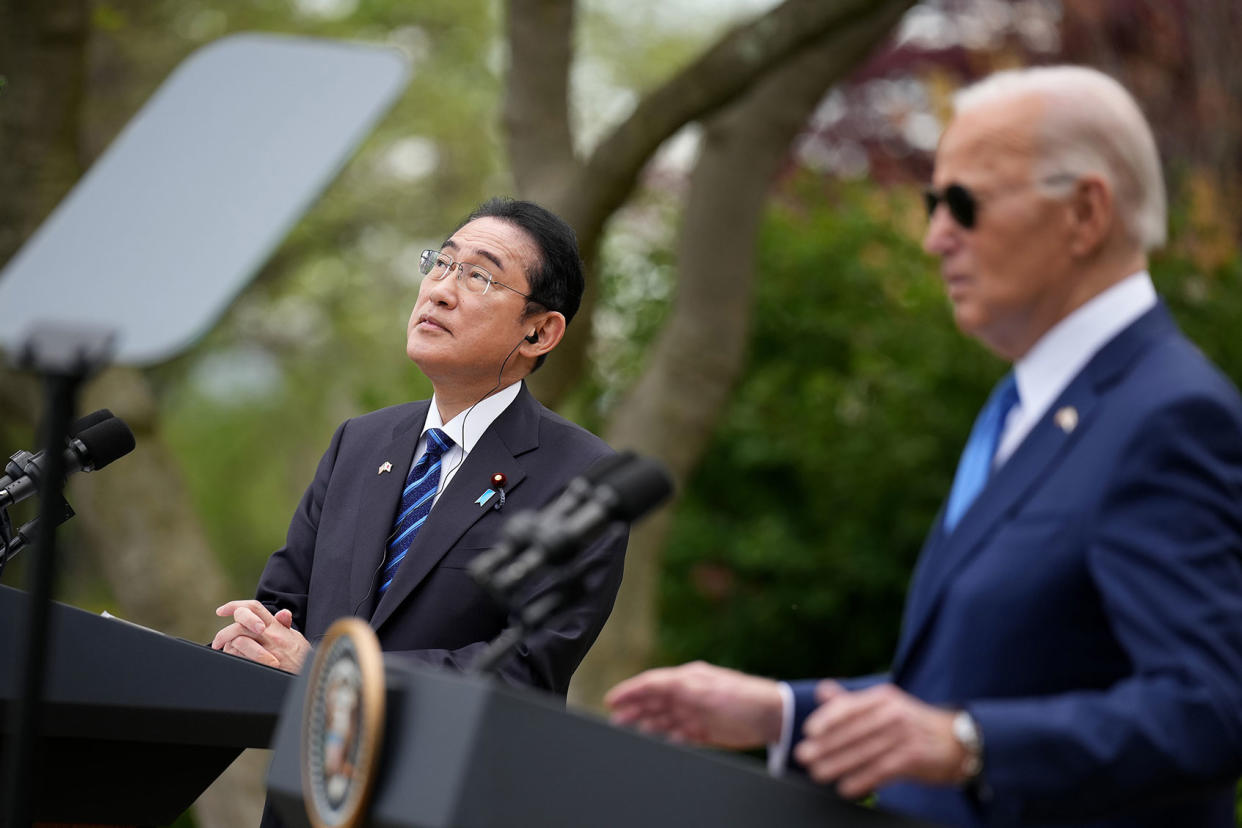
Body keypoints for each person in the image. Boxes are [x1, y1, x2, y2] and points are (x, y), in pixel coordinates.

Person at [605, 66, 1242, 827]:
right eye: (931, 204)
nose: (936, 236)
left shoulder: (1168, 413)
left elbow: (1213, 705)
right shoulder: (1029, 407)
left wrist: (969, 744)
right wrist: (781, 713)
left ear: (1085, 211)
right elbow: (981, 678)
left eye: (964, 204)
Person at [212, 197, 628, 696]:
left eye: (478, 277)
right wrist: (254, 636)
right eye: (441, 263)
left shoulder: (581, 478)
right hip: (316, 766)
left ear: (540, 332)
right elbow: (284, 606)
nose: (440, 291)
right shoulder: (358, 443)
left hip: (460, 768)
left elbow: (524, 666)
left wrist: (331, 670)